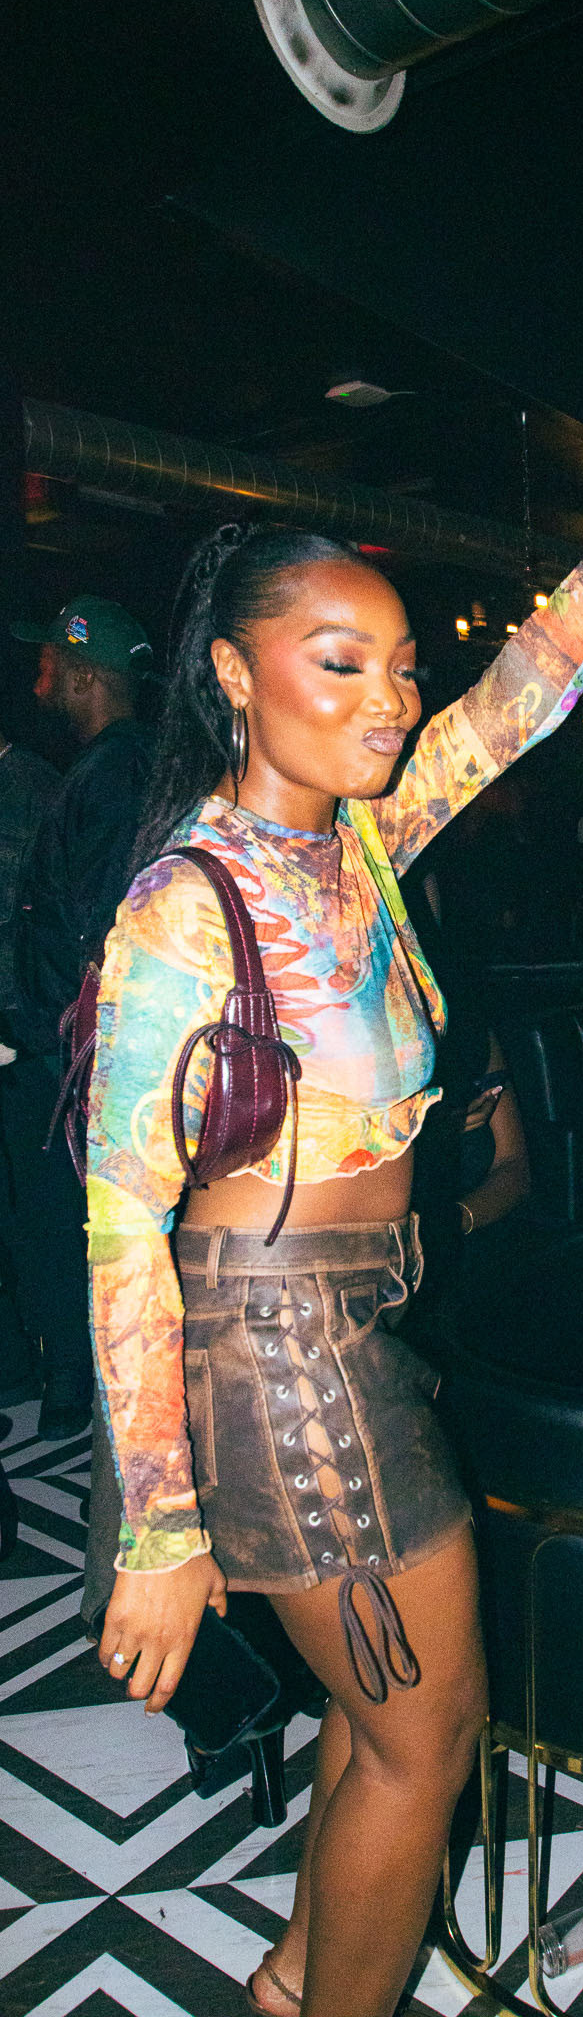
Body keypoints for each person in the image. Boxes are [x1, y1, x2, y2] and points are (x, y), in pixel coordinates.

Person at [85, 366, 583, 2017]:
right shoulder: (185, 906)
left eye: (398, 665)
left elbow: (522, 690)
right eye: (341, 663)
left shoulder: (363, 840)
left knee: (377, 1719)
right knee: (428, 1731)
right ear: (235, 676)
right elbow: (118, 1225)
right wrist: (159, 1532)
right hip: (275, 1354)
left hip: (348, 1334)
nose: (389, 698)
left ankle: (297, 1979)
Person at [2, 596, 153, 1438]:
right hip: (68, 1048)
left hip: (77, 1056)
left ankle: (86, 1384)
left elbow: (103, 931)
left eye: (49, 664)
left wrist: (45, 1035)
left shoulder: (114, 775)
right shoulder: (107, 769)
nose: (38, 680)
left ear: (85, 676)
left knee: (67, 1218)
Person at [0, 728, 59, 1405]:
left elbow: (35, 916)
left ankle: (58, 1369)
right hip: (21, 1027)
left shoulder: (31, 786)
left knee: (37, 1207)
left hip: (23, 1036)